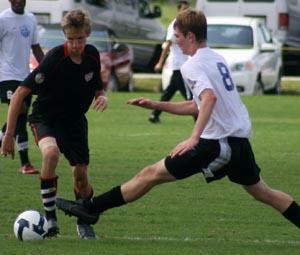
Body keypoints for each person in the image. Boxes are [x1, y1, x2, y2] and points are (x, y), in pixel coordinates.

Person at [55, 9, 300, 233]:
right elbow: (197, 104)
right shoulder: (217, 58)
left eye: (178, 36)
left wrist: (194, 138)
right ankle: (91, 209)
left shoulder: (191, 66)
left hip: (216, 144)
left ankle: (91, 209)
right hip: (239, 142)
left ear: (190, 36)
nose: (175, 42)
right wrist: (156, 105)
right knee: (264, 193)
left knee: (150, 174)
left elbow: (209, 98)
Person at [1, 8, 108, 239]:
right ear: (65, 36)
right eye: (70, 39)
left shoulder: (92, 56)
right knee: (50, 154)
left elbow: (96, 84)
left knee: (81, 177)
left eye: (80, 39)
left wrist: (101, 95)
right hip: (45, 118)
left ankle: (84, 219)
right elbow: (19, 94)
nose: (76, 44)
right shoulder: (54, 59)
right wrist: (9, 135)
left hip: (75, 122)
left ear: (87, 34)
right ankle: (50, 220)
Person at [0, 0, 44, 174]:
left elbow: (36, 48)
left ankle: (25, 164)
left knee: (21, 117)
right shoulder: (3, 19)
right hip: (5, 76)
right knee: (20, 108)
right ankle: (24, 162)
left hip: (25, 77)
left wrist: (49, 69)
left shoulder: (31, 19)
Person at [149, 0, 191, 124]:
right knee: (189, 95)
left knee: (169, 91)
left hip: (182, 63)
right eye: (184, 9)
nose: (186, 12)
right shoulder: (175, 25)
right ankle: (198, 117)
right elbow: (167, 45)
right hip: (179, 65)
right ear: (179, 10)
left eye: (188, 10)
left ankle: (154, 114)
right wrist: (160, 63)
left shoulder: (185, 25)